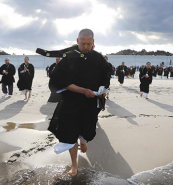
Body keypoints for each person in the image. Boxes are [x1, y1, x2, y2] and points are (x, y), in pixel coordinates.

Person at [48, 29, 109, 176]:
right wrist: (82, 91)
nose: (86, 47)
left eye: (89, 44)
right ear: (77, 41)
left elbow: (105, 79)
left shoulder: (99, 59)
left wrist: (103, 90)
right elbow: (60, 81)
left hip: (90, 103)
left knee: (87, 130)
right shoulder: (68, 58)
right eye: (83, 44)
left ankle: (84, 139)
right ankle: (74, 164)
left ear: (93, 42)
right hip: (71, 102)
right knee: (70, 134)